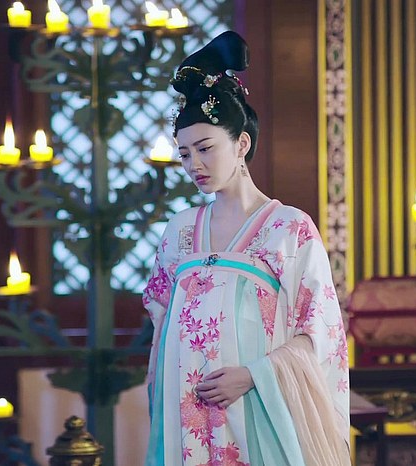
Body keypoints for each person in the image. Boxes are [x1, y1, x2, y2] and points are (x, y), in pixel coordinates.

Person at [143, 31, 350, 466]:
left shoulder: (288, 228)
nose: (194, 164)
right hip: (188, 416)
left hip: (258, 408)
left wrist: (253, 375)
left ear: (241, 144)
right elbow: (162, 328)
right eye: (184, 154)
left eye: (205, 148)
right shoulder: (179, 232)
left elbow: (320, 331)